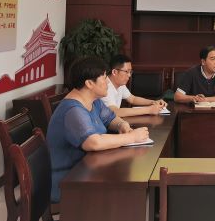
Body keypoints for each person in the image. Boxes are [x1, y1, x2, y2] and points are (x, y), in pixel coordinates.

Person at [47, 57, 149, 203]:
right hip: (68, 181)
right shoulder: (73, 110)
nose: (108, 82)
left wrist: (123, 125)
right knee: (125, 187)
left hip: (88, 170)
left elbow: (111, 118)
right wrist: (132, 137)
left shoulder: (94, 102)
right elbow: (93, 142)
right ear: (89, 83)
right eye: (104, 77)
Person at [101, 54, 167, 117]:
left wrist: (153, 102)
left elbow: (132, 99)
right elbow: (115, 112)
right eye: (126, 71)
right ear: (114, 72)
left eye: (130, 72)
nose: (129, 75)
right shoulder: (105, 86)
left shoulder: (120, 84)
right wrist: (149, 110)